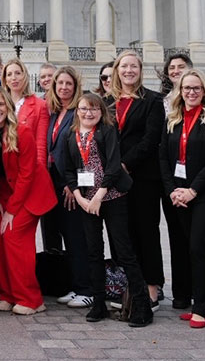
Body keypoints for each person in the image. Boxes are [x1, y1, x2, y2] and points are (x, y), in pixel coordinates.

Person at [62, 93, 153, 327]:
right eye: (84, 108)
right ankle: (98, 303)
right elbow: (69, 170)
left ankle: (142, 305)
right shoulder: (71, 135)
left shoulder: (107, 131)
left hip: (111, 197)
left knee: (124, 251)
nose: (88, 113)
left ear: (101, 111)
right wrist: (80, 198)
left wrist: (99, 196)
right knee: (93, 251)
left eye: (94, 109)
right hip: (86, 202)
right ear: (77, 111)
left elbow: (113, 166)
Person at [160, 69, 205, 329]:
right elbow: (163, 157)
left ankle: (200, 307)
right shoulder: (173, 119)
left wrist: (193, 190)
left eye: (196, 88)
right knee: (194, 248)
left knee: (199, 247)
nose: (191, 92)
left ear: (204, 91)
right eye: (187, 88)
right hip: (179, 194)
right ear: (180, 91)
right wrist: (172, 190)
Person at [0, 87, 56, 315]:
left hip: (30, 195)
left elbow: (27, 175)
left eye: (1, 104)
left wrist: (11, 211)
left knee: (13, 236)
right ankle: (6, 294)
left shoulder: (21, 132)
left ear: (8, 107)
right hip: (5, 195)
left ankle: (31, 299)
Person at [107, 50, 166, 310]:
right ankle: (127, 286)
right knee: (120, 233)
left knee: (146, 232)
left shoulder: (152, 100)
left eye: (134, 66)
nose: (129, 71)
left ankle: (152, 288)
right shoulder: (107, 101)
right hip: (114, 179)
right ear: (117, 70)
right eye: (124, 66)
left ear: (140, 71)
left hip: (142, 177)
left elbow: (151, 139)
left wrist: (124, 164)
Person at [42, 66, 92, 305]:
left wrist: (76, 186)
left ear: (75, 86)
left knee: (76, 237)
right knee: (59, 234)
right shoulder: (54, 113)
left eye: (68, 84)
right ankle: (72, 284)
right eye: (59, 83)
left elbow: (86, 151)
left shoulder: (79, 112)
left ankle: (86, 289)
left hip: (70, 184)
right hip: (52, 181)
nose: (63, 87)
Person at [160, 51, 194, 309]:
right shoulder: (164, 102)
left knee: (197, 237)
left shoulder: (199, 99)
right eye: (171, 67)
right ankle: (181, 291)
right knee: (176, 236)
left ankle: (202, 290)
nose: (175, 71)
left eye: (181, 66)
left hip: (195, 179)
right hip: (171, 179)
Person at [2, 59, 50, 169]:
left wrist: (39, 171)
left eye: (18, 73)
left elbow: (40, 145)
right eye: (9, 74)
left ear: (25, 76)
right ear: (5, 80)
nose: (13, 77)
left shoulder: (40, 106)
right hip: (3, 167)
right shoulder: (0, 105)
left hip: (27, 166)